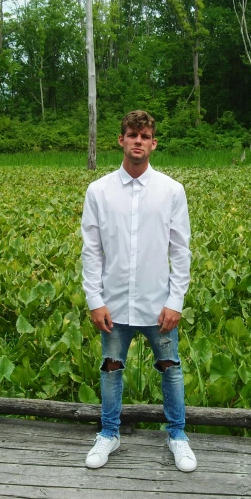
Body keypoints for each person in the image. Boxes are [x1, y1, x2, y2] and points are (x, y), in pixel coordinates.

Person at [80, 110, 196, 472]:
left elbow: (181, 250)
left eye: (145, 136)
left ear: (153, 143)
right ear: (121, 140)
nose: (138, 142)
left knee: (170, 368)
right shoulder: (98, 191)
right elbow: (91, 249)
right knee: (111, 368)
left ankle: (177, 436)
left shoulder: (171, 190)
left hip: (158, 303)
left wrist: (175, 301)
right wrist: (94, 300)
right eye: (132, 135)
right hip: (113, 304)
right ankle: (109, 433)